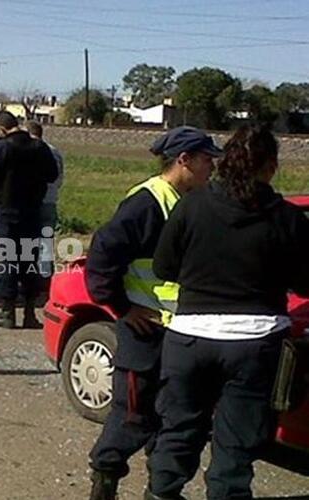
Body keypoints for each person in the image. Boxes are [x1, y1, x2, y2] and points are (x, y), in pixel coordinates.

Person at [145, 125, 309, 500]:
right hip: (256, 343)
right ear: (270, 167)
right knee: (236, 447)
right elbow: (305, 283)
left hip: (189, 339)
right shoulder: (287, 219)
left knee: (178, 431)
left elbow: (163, 267)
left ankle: (161, 493)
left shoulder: (192, 205)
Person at [85, 126, 222, 500]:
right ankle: (105, 481)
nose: (213, 165)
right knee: (132, 417)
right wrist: (122, 308)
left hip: (179, 332)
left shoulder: (192, 198)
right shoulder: (146, 203)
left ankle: (159, 489)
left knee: (173, 418)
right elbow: (101, 258)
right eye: (207, 159)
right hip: (145, 333)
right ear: (184, 160)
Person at [0, 111, 58, 329]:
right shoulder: (39, 148)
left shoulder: (1, 148)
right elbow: (52, 175)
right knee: (29, 261)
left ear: (1, 129)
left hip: (6, 212)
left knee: (7, 262)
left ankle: (8, 311)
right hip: (32, 211)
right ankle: (30, 312)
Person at [26, 120, 64, 277]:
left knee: (29, 240)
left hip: (31, 201)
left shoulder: (28, 151)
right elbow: (59, 177)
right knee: (47, 239)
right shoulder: (54, 152)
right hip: (50, 200)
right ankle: (46, 273)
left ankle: (32, 274)